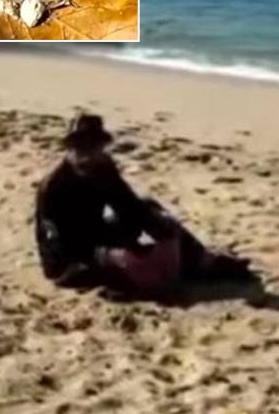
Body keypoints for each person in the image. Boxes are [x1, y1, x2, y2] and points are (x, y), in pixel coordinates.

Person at [34, 113, 251, 295]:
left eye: (94, 146)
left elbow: (128, 205)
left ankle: (203, 259)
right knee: (135, 272)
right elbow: (59, 249)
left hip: (96, 233)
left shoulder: (103, 169)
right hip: (69, 260)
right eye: (80, 147)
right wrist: (113, 251)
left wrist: (157, 228)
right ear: (69, 148)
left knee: (150, 208)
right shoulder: (53, 188)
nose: (87, 155)